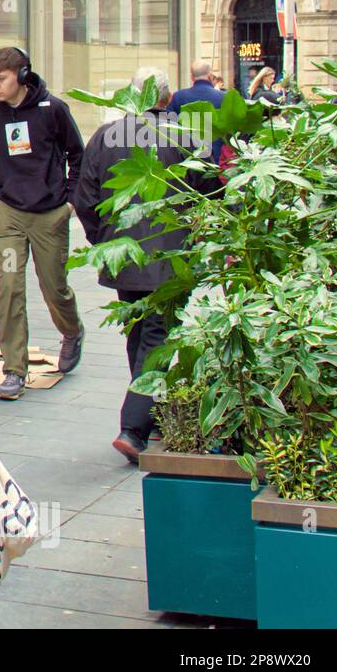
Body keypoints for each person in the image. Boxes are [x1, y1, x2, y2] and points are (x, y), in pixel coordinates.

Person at [75, 67, 222, 463]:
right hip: (170, 256)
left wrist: (103, 241)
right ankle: (134, 427)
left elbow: (85, 196)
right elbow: (211, 191)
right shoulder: (188, 133)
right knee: (155, 338)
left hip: (125, 254)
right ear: (166, 97)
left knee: (140, 332)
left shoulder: (107, 134)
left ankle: (149, 413)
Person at [0, 46, 86, 400]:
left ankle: (72, 330)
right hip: (9, 215)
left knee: (54, 286)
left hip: (50, 214)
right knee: (10, 286)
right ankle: (14, 370)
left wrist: (68, 203)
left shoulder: (54, 111)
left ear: (21, 76)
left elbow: (78, 156)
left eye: (0, 79)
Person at [166, 60, 228, 161]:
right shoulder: (224, 98)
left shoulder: (178, 97)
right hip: (217, 161)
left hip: (188, 160)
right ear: (211, 76)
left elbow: (169, 126)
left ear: (191, 77)